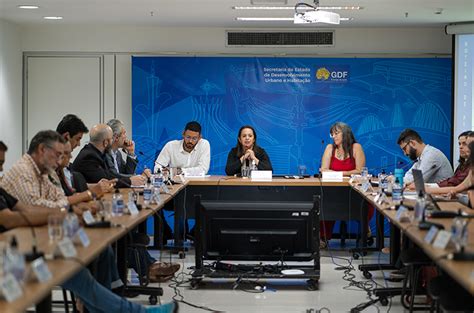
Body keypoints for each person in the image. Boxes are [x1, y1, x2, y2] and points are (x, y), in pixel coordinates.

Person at [0, 140, 178, 313]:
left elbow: (29, 208)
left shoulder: (42, 174)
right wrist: (63, 211)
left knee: (97, 254)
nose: (2, 169)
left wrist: (68, 209)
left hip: (22, 249)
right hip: (13, 259)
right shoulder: (27, 172)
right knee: (82, 266)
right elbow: (10, 218)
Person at [1, 130, 101, 210]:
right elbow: (36, 208)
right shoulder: (23, 170)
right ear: (42, 149)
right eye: (57, 155)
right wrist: (71, 207)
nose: (59, 162)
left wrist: (73, 206)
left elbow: (59, 198)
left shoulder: (42, 171)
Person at [319, 122, 368, 247]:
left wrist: (336, 173)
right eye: (332, 134)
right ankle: (323, 237)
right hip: (333, 190)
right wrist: (343, 174)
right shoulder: (330, 148)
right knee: (325, 201)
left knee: (365, 202)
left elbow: (359, 171)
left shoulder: (356, 147)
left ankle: (364, 230)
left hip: (353, 191)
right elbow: (324, 170)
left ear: (345, 134)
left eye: (336, 133)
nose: (333, 137)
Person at [72, 124, 146, 187]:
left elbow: (111, 175)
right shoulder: (89, 157)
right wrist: (130, 181)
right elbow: (107, 180)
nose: (113, 141)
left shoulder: (98, 153)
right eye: (111, 139)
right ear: (105, 142)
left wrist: (133, 179)